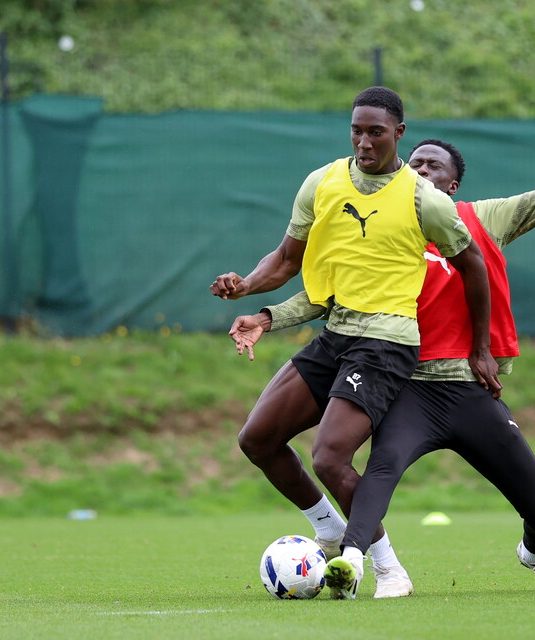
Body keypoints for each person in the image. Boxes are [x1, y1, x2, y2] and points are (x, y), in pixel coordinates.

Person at [230, 117, 535, 598]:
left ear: (452, 184)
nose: (422, 170)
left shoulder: (483, 220)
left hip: (470, 387)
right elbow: (328, 294)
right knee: (364, 466)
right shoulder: (385, 223)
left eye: (433, 165)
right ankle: (361, 563)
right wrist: (266, 313)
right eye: (415, 163)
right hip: (407, 383)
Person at [210, 86, 498, 599]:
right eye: (356, 131)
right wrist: (247, 291)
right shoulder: (322, 183)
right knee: (257, 439)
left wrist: (480, 348)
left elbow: (473, 265)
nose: (364, 142)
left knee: (329, 459)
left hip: (387, 344)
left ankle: (390, 570)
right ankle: (327, 530)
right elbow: (283, 260)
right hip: (337, 333)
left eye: (376, 133)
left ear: (398, 135)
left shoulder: (423, 199)